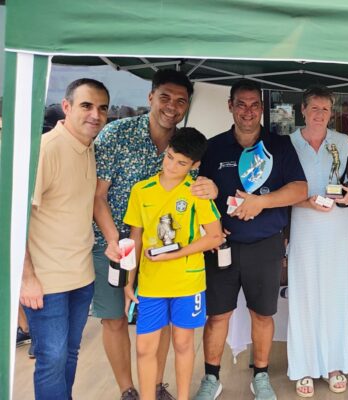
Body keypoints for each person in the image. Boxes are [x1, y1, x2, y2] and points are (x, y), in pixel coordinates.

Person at [92, 68, 216, 400]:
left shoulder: (185, 144)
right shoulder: (116, 134)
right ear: (150, 97)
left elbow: (196, 192)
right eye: (165, 97)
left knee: (158, 324)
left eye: (180, 101)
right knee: (114, 317)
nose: (171, 106)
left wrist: (213, 189)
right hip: (114, 243)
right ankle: (128, 390)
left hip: (161, 256)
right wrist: (117, 245)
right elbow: (98, 195)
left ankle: (156, 386)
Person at [195, 80, 307, 400]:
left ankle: (260, 375)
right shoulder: (213, 147)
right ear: (230, 106)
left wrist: (261, 202)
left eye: (254, 105)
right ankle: (211, 378)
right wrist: (212, 226)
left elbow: (300, 190)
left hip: (266, 243)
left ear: (262, 108)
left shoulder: (279, 145)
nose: (248, 111)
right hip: (222, 246)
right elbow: (197, 192)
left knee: (262, 314)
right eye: (241, 104)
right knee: (218, 315)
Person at [20, 78, 109, 400]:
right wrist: (26, 278)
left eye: (102, 108)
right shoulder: (46, 149)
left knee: (69, 353)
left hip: (81, 275)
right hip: (46, 282)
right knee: (51, 359)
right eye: (86, 105)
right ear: (67, 107)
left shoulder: (88, 147)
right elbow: (15, 218)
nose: (95, 115)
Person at [122, 128, 223, 400]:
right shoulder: (141, 190)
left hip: (187, 282)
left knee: (182, 343)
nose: (171, 166)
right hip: (151, 283)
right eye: (169, 157)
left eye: (181, 163)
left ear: (195, 165)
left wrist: (175, 254)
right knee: (144, 347)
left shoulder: (197, 192)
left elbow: (215, 236)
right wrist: (129, 282)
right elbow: (134, 238)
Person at [287, 85, 348, 397]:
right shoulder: (288, 143)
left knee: (336, 295)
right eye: (314, 108)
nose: (320, 114)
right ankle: (305, 366)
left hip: (339, 228)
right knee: (305, 296)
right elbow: (281, 192)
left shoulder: (343, 141)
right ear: (303, 110)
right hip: (305, 226)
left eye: (325, 109)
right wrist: (306, 202)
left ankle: (335, 363)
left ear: (331, 113)